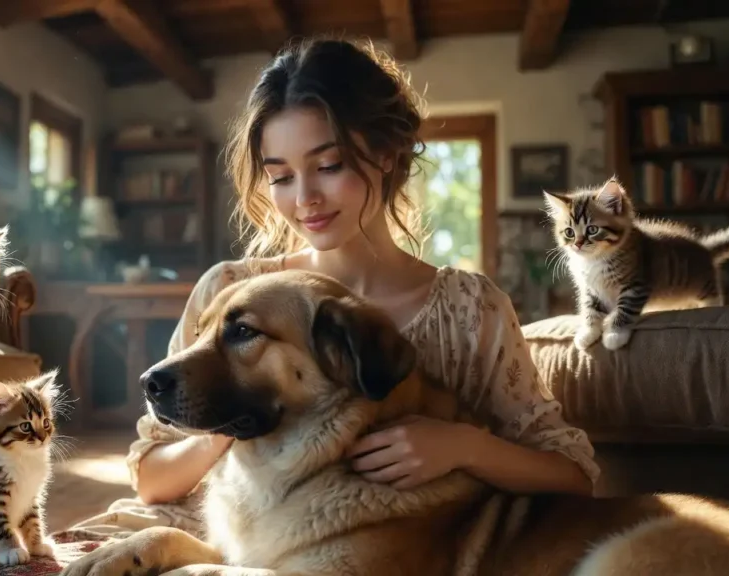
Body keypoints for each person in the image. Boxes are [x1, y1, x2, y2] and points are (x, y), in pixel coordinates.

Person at [126, 38, 598, 514]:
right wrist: (225, 420)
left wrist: (464, 446)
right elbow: (150, 479)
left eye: (328, 166)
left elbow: (573, 475)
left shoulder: (471, 311)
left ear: (388, 154)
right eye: (282, 177)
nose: (305, 197)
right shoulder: (227, 293)